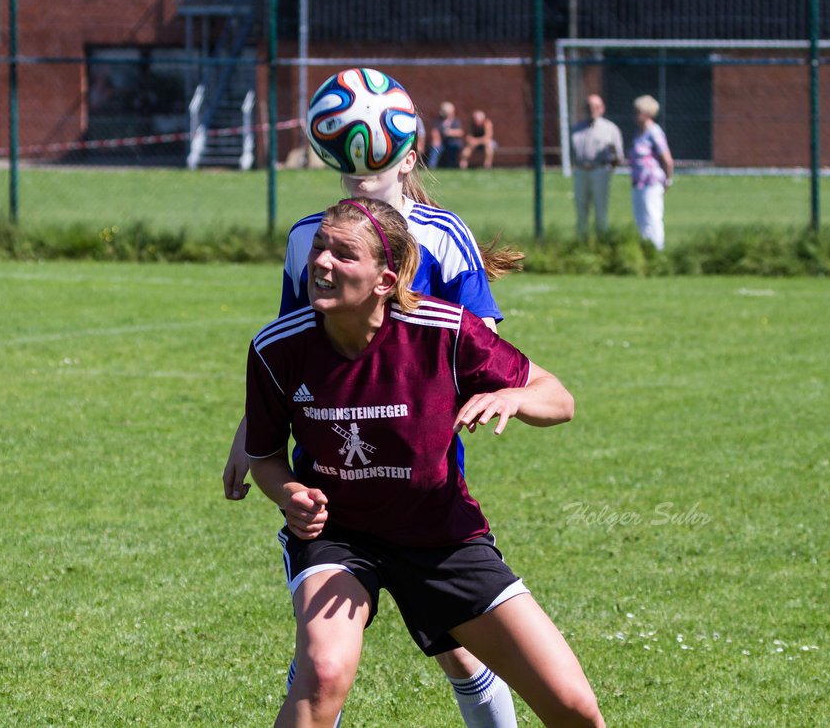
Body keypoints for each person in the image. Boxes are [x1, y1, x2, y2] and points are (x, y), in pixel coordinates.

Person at [244, 197, 604, 727]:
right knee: (322, 673)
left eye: (343, 254)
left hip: (442, 537)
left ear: (385, 281)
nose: (321, 262)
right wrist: (287, 494)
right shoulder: (278, 348)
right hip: (341, 536)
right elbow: (265, 456)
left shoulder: (445, 331)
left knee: (573, 707)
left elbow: (559, 399)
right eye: (319, 247)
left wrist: (517, 398)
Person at [224, 91, 524, 726]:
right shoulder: (311, 236)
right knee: (323, 658)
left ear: (408, 158)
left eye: (373, 167)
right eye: (347, 170)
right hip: (331, 464)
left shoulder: (441, 236)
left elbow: (482, 348)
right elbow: (289, 353)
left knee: (458, 650)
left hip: (421, 474)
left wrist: (496, 397)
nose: (358, 179)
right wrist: (248, 437)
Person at [569, 94, 624, 238]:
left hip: (600, 171)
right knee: (581, 210)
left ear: (602, 108)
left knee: (601, 210)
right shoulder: (576, 129)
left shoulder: (610, 129)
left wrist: (612, 163)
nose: (592, 110)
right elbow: (571, 153)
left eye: (595, 107)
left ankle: (602, 240)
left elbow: (619, 156)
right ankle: (581, 241)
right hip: (581, 172)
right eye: (589, 107)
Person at [628, 94, 674, 250]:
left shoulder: (654, 132)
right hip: (638, 183)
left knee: (652, 217)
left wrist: (668, 181)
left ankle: (657, 250)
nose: (634, 115)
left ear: (647, 113)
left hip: (651, 182)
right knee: (640, 219)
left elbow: (667, 160)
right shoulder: (638, 134)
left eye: (637, 112)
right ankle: (645, 249)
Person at [430, 102, 464, 169]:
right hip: (441, 142)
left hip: (452, 142)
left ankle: (451, 167)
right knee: (435, 148)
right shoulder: (438, 121)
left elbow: (460, 132)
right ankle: (431, 167)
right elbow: (434, 132)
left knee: (453, 147)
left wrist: (450, 132)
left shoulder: (456, 121)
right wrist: (436, 140)